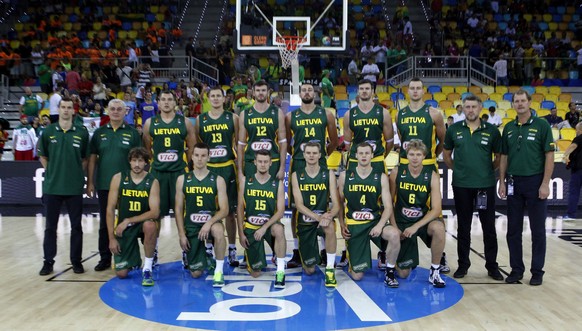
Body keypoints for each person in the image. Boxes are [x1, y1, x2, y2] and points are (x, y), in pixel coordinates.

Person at [443, 95, 504, 280]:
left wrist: (486, 171)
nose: (470, 110)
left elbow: (499, 158)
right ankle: (463, 265)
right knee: (463, 227)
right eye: (467, 107)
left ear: (480, 108)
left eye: (473, 107)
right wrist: (460, 170)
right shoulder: (453, 130)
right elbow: (447, 156)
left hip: (485, 185)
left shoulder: (492, 131)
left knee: (489, 228)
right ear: (463, 108)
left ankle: (492, 266)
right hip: (461, 185)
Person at [498, 89, 555, 286]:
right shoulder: (509, 128)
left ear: (529, 103)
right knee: (513, 230)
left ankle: (537, 271)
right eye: (516, 101)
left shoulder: (542, 125)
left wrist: (545, 183)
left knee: (537, 230)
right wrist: (502, 181)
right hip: (514, 183)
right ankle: (516, 269)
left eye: (523, 101)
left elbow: (549, 155)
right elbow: (504, 157)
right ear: (513, 104)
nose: (520, 104)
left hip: (535, 182)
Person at [395, 77, 448, 272]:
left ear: (423, 91)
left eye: (418, 88)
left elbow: (442, 139)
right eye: (412, 88)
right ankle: (397, 250)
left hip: (427, 164)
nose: (415, 91)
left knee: (435, 214)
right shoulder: (400, 114)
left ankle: (440, 258)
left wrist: (431, 156)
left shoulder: (434, 113)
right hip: (405, 165)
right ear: (407, 91)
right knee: (400, 206)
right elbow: (402, 140)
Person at [285, 82, 338, 269]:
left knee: (321, 204)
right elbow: (286, 143)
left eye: (310, 90)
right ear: (299, 93)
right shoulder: (290, 116)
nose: (307, 92)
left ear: (315, 93)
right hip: (299, 164)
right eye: (304, 90)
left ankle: (324, 249)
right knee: (295, 209)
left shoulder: (326, 114)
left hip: (320, 163)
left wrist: (320, 155)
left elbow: (333, 140)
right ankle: (298, 251)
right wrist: (302, 156)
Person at [342, 78, 394, 269]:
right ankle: (350, 248)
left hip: (377, 160)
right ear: (357, 92)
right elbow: (347, 145)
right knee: (351, 200)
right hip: (355, 162)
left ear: (373, 91)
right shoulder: (349, 114)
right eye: (361, 88)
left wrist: (376, 158)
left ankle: (382, 249)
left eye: (367, 89)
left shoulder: (383, 112)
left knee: (380, 203)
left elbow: (389, 142)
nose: (364, 91)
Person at [87, 99, 142, 272]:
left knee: (129, 222)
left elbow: (139, 160)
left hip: (128, 186)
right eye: (113, 109)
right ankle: (105, 257)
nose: (116, 112)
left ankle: (130, 256)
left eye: (119, 109)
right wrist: (90, 181)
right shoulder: (99, 133)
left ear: (126, 111)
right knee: (105, 222)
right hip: (104, 184)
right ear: (107, 111)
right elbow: (92, 159)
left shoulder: (132, 133)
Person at [38, 97, 90, 275]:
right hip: (53, 187)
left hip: (74, 187)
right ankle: (48, 261)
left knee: (77, 227)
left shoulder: (82, 132)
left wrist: (75, 172)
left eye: (69, 107)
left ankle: (76, 261)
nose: (66, 110)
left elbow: (85, 159)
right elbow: (42, 155)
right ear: (58, 110)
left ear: (73, 111)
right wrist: (52, 170)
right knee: (50, 227)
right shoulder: (48, 131)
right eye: (63, 107)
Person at [337, 143, 401, 286]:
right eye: (361, 153)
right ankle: (351, 257)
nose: (364, 156)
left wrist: (379, 226)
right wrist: (341, 224)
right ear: (355, 156)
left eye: (367, 153)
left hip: (374, 221)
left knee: (394, 234)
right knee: (357, 276)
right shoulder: (344, 176)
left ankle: (389, 272)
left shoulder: (381, 177)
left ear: (372, 155)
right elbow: (339, 204)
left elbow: (389, 207)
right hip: (355, 224)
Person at [389, 139, 446, 288]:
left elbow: (436, 209)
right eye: (412, 154)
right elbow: (389, 204)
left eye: (418, 154)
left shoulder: (432, 176)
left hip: (421, 221)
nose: (415, 157)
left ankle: (435, 271)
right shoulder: (396, 172)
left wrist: (415, 226)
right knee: (403, 274)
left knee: (439, 228)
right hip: (401, 221)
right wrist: (395, 227)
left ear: (424, 156)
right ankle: (394, 256)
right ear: (406, 155)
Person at [194, 86, 240, 267]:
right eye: (212, 96)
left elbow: (238, 143)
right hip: (208, 168)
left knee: (230, 212)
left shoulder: (233, 118)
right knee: (208, 210)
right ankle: (208, 247)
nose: (215, 99)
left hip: (227, 166)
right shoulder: (200, 119)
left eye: (218, 96)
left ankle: (232, 248)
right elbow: (196, 146)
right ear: (208, 98)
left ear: (224, 99)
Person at [174, 143, 229, 287]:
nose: (199, 159)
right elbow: (178, 210)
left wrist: (209, 223)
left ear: (208, 158)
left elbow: (224, 210)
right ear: (191, 157)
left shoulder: (218, 180)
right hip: (191, 226)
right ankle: (203, 257)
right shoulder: (182, 179)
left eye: (203, 156)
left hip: (210, 223)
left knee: (218, 230)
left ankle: (219, 271)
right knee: (196, 274)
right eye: (197, 155)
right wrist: (181, 234)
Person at [106, 147, 160, 285]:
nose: (137, 164)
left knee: (150, 225)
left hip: (141, 224)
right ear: (129, 161)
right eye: (134, 160)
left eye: (140, 161)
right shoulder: (118, 178)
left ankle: (147, 268)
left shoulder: (152, 181)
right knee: (122, 274)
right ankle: (134, 260)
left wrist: (129, 220)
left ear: (146, 163)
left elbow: (155, 212)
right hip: (124, 227)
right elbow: (110, 209)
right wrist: (111, 238)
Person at [291, 142, 340, 286]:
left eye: (314, 153)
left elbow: (337, 204)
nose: (311, 156)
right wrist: (318, 217)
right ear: (304, 155)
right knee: (309, 270)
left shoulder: (328, 174)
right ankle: (313, 254)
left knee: (330, 227)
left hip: (323, 219)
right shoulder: (296, 175)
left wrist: (328, 216)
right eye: (308, 153)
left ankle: (330, 268)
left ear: (320, 155)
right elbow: (299, 205)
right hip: (306, 222)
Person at [237, 150, 287, 287]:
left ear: (271, 163)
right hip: (252, 227)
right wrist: (241, 234)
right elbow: (240, 209)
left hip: (269, 226)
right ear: (255, 163)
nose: (263, 164)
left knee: (278, 229)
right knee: (255, 273)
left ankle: (280, 270)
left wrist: (264, 227)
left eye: (266, 162)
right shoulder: (246, 181)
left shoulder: (277, 183)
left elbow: (281, 211)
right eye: (260, 161)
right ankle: (252, 255)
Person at [237, 80, 286, 179]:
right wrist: (240, 171)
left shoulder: (277, 112)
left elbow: (283, 142)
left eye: (263, 90)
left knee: (273, 194)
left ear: (268, 92)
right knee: (251, 194)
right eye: (258, 90)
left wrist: (282, 168)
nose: (260, 93)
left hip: (272, 161)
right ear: (253, 93)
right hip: (251, 161)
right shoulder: (245, 114)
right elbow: (241, 144)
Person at [563, 122, 582, 221]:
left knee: (574, 192)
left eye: (577, 130)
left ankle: (571, 215)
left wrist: (565, 155)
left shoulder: (579, 138)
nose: (576, 131)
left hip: (579, 170)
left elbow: (573, 146)